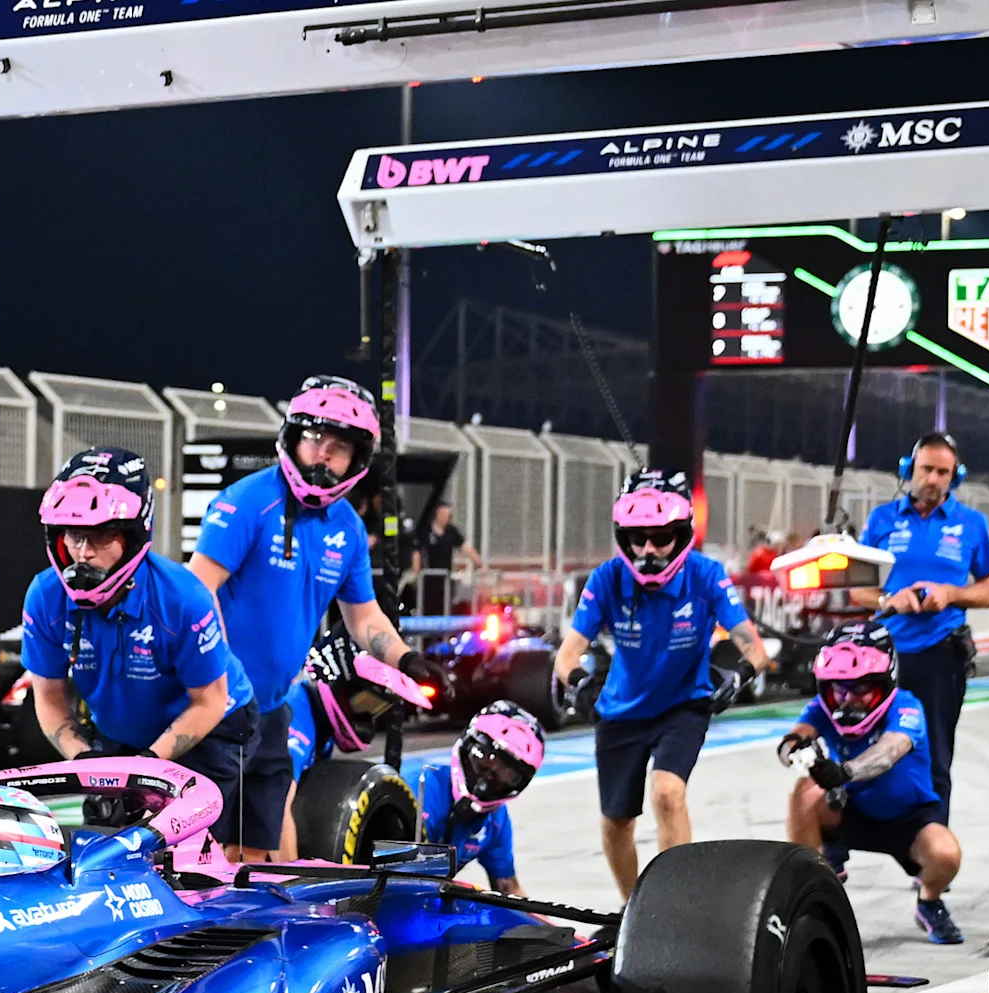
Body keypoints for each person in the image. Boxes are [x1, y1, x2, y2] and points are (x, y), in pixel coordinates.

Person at [190, 377, 433, 858]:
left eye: (338, 447)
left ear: (357, 460)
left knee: (256, 850)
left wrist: (405, 660)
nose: (323, 454)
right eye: (314, 439)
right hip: (216, 706)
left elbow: (364, 617)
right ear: (293, 439)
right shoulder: (246, 501)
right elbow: (199, 592)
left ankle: (253, 930)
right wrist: (224, 682)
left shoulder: (348, 529)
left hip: (276, 706)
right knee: (201, 850)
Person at [555, 470, 770, 900]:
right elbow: (565, 657)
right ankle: (636, 913)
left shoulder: (706, 576)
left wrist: (738, 678)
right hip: (620, 711)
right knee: (617, 822)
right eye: (638, 539)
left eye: (660, 538)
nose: (648, 550)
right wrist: (581, 685)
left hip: (683, 706)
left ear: (680, 533)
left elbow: (757, 650)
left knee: (668, 794)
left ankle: (678, 906)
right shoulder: (606, 580)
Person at [23, 449, 257, 810]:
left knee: (184, 840)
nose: (83, 553)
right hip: (121, 734)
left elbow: (209, 702)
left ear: (131, 536)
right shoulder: (45, 596)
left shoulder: (184, 598)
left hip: (212, 725)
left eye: (100, 536)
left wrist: (147, 769)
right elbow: (49, 697)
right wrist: (84, 760)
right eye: (73, 535)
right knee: (106, 837)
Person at [777, 624, 963, 942]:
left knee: (946, 856)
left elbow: (890, 751)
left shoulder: (906, 707)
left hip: (909, 818)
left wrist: (845, 771)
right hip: (851, 809)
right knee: (803, 793)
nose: (849, 699)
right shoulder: (823, 708)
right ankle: (813, 882)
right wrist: (796, 752)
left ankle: (929, 902)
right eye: (839, 688)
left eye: (861, 688)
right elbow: (791, 741)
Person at [850, 432, 989, 807]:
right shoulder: (881, 519)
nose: (933, 479)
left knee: (935, 757)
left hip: (941, 656)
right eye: (926, 469)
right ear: (909, 470)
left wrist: (950, 594)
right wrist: (889, 599)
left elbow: (988, 591)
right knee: (868, 749)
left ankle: (933, 847)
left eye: (943, 472)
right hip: (884, 655)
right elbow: (856, 591)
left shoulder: (973, 524)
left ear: (955, 477)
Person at [401, 700, 542, 896]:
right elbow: (403, 883)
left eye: (506, 774)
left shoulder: (496, 821)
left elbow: (509, 890)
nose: (487, 780)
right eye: (483, 759)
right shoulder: (422, 790)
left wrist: (542, 925)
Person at [407, 498, 469, 613]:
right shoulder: (425, 531)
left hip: (445, 577)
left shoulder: (451, 531)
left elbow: (464, 546)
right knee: (429, 606)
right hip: (429, 578)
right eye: (444, 514)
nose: (446, 517)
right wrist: (416, 570)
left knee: (446, 605)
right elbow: (417, 552)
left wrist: (478, 561)